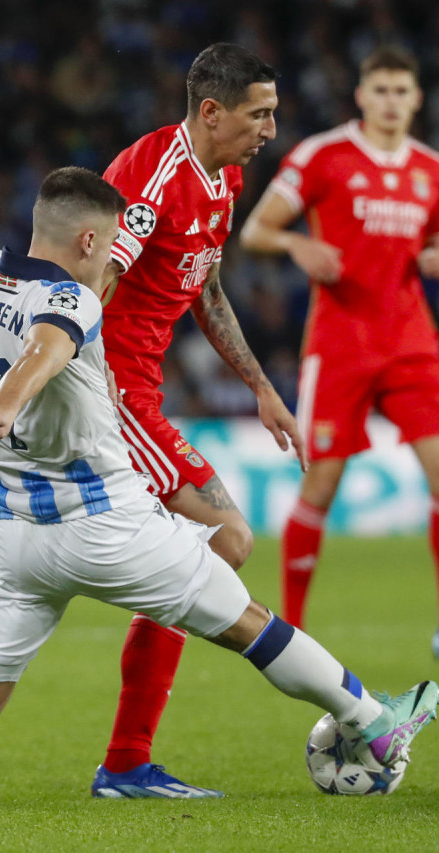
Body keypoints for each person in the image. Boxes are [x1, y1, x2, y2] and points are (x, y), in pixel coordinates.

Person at [0, 167, 439, 810]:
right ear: (87, 238)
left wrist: (2, 407)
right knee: (250, 623)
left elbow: (26, 340)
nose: (113, 260)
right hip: (106, 524)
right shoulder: (74, 300)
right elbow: (48, 344)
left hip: (9, 535)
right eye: (109, 245)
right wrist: (11, 402)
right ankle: (372, 722)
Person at [92, 42, 308, 799]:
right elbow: (92, 287)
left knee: (189, 565)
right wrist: (58, 385)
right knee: (227, 539)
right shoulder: (153, 180)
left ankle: (126, 761)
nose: (270, 129)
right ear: (211, 111)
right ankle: (125, 760)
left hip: (140, 393)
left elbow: (206, 291)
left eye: (274, 113)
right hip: (107, 392)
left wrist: (262, 388)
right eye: (260, 114)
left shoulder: (225, 177)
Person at [239, 45, 439, 682]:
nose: (389, 101)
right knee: (320, 486)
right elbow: (256, 231)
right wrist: (298, 244)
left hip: (412, 343)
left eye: (400, 91)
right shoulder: (322, 156)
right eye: (379, 90)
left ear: (416, 99)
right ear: (361, 95)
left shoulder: (433, 169)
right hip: (341, 344)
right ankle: (292, 633)